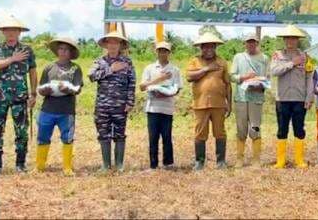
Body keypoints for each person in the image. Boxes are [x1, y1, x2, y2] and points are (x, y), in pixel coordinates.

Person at [0, 16, 37, 174]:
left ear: (19, 32)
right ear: (3, 32)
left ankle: (20, 164)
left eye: (14, 30)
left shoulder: (27, 50)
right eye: (8, 30)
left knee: (21, 131)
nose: (11, 33)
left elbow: (32, 71)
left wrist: (33, 93)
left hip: (20, 97)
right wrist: (11, 59)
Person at [88, 31, 136, 173]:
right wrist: (110, 69)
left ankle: (119, 164)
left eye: (116, 42)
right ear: (106, 44)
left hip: (121, 105)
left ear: (120, 45)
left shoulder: (127, 62)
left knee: (120, 134)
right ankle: (106, 165)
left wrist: (130, 102)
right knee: (103, 134)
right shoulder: (99, 61)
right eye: (110, 42)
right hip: (102, 106)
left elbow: (132, 83)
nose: (113, 45)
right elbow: (91, 76)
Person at [35, 37, 83, 176]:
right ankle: (39, 166)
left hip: (66, 110)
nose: (63, 52)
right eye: (61, 49)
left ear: (71, 52)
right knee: (43, 136)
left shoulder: (75, 68)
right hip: (47, 109)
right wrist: (44, 90)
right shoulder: (49, 67)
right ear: (57, 51)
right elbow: (41, 88)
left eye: (66, 49)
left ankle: (67, 167)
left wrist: (67, 89)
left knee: (67, 137)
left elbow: (78, 88)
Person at [270, 25, 314, 169]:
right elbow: (274, 71)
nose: (291, 41)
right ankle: (281, 161)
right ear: (284, 39)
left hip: (299, 99)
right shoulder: (277, 55)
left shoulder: (306, 57)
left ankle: (299, 160)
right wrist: (291, 63)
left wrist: (309, 97)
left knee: (299, 129)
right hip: (282, 99)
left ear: (298, 40)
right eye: (288, 38)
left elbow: (309, 78)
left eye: (294, 38)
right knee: (282, 129)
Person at [187, 32, 231, 170]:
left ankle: (221, 161)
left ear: (215, 47)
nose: (208, 50)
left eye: (211, 47)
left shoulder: (222, 62)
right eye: (205, 47)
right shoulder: (195, 61)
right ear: (201, 48)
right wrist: (206, 69)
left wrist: (229, 103)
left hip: (218, 104)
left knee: (220, 132)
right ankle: (199, 162)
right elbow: (189, 77)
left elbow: (228, 84)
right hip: (201, 104)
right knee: (200, 133)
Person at [139, 41, 182, 170]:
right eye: (160, 50)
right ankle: (153, 164)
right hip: (152, 108)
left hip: (167, 108)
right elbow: (142, 87)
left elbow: (178, 88)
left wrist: (166, 94)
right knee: (153, 137)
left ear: (169, 53)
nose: (162, 53)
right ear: (156, 51)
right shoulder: (149, 68)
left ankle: (168, 163)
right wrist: (159, 79)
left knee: (167, 136)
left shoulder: (175, 70)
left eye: (165, 51)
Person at [230, 34, 269, 168]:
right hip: (241, 97)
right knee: (241, 129)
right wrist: (244, 77)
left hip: (256, 97)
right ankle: (239, 159)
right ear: (245, 44)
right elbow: (232, 76)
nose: (251, 44)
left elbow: (267, 78)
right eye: (248, 42)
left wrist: (261, 86)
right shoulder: (238, 57)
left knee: (255, 127)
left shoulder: (264, 58)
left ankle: (256, 159)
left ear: (257, 43)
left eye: (253, 42)